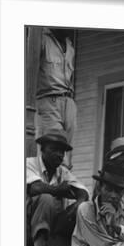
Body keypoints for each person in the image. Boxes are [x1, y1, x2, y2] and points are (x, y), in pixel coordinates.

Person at [26, 129, 89, 246]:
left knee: (84, 208)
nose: (59, 155)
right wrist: (58, 190)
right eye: (54, 150)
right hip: (27, 226)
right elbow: (36, 187)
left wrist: (79, 202)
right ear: (42, 149)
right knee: (46, 197)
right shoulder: (29, 163)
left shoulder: (62, 171)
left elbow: (83, 191)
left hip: (51, 227)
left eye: (62, 152)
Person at [33, 27, 76, 167]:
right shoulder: (42, 39)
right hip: (49, 99)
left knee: (66, 154)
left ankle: (62, 186)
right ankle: (48, 186)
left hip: (69, 101)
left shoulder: (70, 46)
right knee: (53, 149)